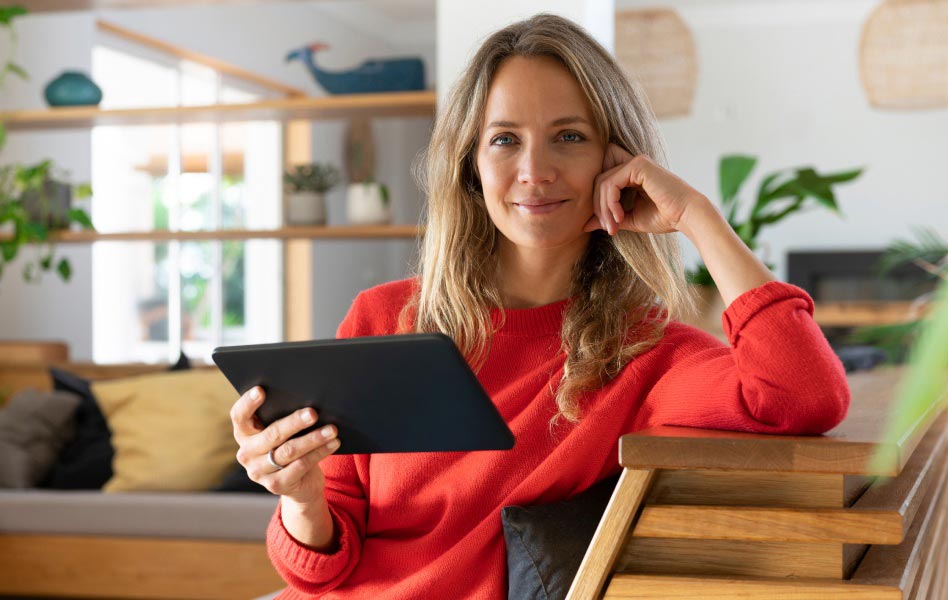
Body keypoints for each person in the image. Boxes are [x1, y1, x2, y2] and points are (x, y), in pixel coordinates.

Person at [229, 13, 850, 599]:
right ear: (471, 166)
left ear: (619, 161)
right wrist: (300, 496)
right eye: (505, 140)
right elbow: (318, 569)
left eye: (569, 137)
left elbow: (804, 396)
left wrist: (696, 216)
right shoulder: (383, 318)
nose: (534, 170)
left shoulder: (646, 355)